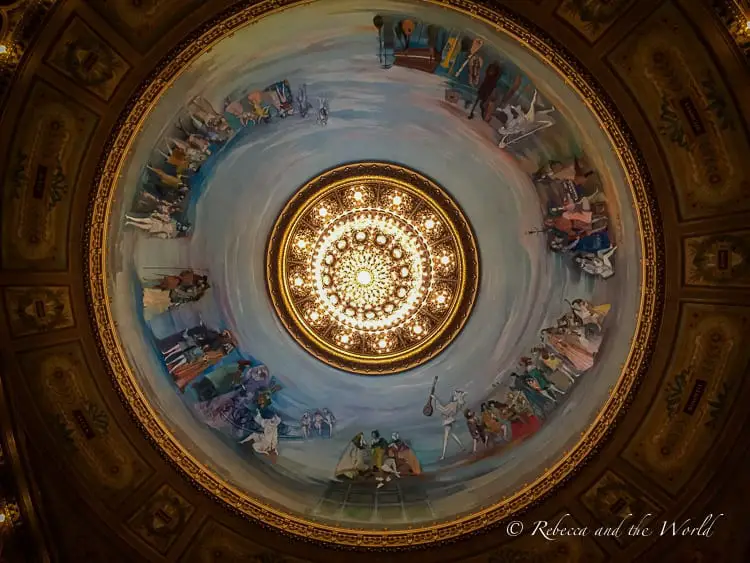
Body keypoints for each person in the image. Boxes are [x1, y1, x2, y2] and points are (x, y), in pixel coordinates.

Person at [431, 388, 467, 460]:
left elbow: (443, 410)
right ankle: (462, 447)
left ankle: (443, 455)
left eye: (455, 396)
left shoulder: (453, 404)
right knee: (452, 434)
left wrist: (435, 399)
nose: (453, 396)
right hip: (449, 421)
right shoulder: (455, 404)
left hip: (448, 421)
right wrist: (461, 395)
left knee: (446, 438)